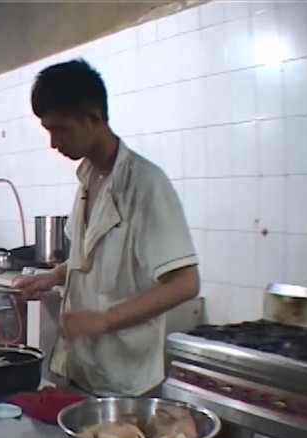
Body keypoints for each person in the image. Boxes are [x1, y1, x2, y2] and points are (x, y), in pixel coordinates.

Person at [12, 59, 199, 397]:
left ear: (94, 118)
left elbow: (185, 284)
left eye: (61, 129)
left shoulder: (145, 185)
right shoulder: (89, 178)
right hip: (83, 367)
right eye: (48, 130)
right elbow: (89, 259)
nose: (53, 143)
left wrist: (105, 319)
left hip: (127, 381)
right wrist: (54, 276)